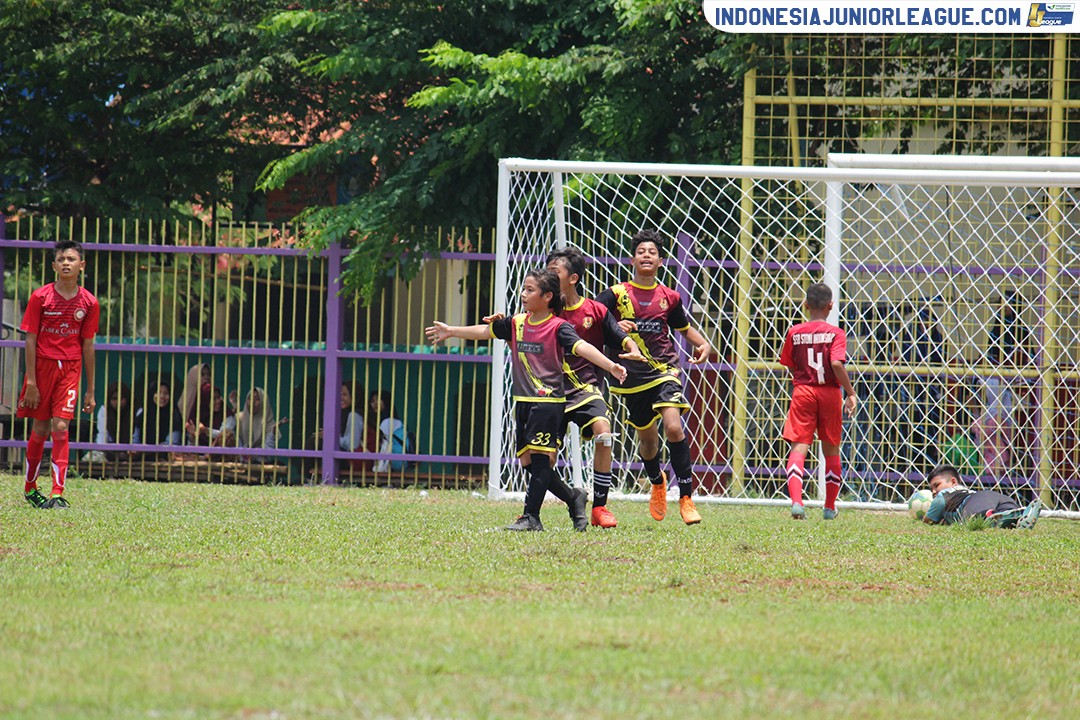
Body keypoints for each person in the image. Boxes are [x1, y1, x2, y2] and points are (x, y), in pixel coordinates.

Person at [426, 268, 632, 532]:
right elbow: (485, 332)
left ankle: (531, 516)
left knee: (541, 460)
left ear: (547, 296)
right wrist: (452, 330)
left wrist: (611, 366)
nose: (523, 294)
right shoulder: (516, 323)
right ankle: (573, 498)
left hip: (548, 404)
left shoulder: (559, 327)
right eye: (523, 289)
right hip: (522, 401)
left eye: (530, 290)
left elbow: (584, 348)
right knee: (529, 464)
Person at [595, 229, 712, 525]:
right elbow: (593, 320)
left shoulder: (670, 297)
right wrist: (613, 325)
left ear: (661, 260)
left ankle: (686, 498)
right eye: (641, 251)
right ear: (633, 259)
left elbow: (683, 328)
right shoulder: (616, 294)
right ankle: (657, 482)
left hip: (664, 370)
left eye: (652, 252)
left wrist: (703, 343)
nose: (646, 255)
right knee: (647, 442)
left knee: (674, 427)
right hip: (632, 378)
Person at [546, 246, 644, 529]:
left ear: (573, 278)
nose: (548, 276)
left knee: (604, 434)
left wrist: (632, 346)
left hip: (586, 388)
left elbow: (619, 336)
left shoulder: (595, 310)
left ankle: (600, 507)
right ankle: (561, 500)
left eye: (555, 272)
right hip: (551, 391)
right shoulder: (543, 310)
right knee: (543, 459)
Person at [17, 239, 99, 509]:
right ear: (54, 266)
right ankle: (30, 486)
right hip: (41, 368)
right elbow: (30, 338)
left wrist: (90, 389)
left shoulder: (89, 303)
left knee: (61, 426)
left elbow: (87, 344)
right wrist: (31, 381)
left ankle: (57, 492)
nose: (66, 263)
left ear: (82, 265)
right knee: (40, 428)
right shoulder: (40, 297)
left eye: (72, 259)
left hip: (70, 369)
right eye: (62, 259)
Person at [778, 282, 858, 520]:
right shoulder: (837, 333)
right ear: (831, 306)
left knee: (799, 447)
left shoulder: (794, 332)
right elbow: (836, 363)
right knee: (831, 449)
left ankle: (796, 502)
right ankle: (830, 506)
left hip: (803, 391)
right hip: (829, 393)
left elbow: (790, 362)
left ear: (805, 305)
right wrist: (850, 392)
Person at [923, 464, 1041, 528]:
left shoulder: (943, 495)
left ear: (953, 482)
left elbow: (928, 521)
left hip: (973, 504)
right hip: (991, 495)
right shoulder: (967, 490)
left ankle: (994, 514)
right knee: (1005, 513)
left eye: (936, 485)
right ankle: (1020, 515)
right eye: (931, 489)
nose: (934, 491)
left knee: (977, 518)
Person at [219, 388, 286, 459]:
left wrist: (273, 432)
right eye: (249, 398)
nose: (252, 402)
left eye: (257, 399)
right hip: (239, 464)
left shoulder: (269, 422)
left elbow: (268, 451)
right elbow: (225, 435)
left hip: (261, 465)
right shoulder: (238, 418)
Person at [134, 376, 183, 458]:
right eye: (158, 392)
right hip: (141, 461)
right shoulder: (142, 414)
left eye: (166, 393)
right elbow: (135, 440)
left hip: (165, 460)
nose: (162, 396)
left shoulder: (174, 415)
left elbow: (172, 443)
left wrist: (147, 450)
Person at [369, 390, 411, 473]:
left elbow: (382, 445)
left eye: (378, 399)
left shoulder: (387, 421)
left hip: (393, 461)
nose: (375, 403)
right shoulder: (396, 421)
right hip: (400, 461)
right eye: (372, 401)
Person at [91, 381, 135, 460]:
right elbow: (102, 434)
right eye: (114, 399)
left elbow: (137, 436)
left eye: (121, 398)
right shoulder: (104, 410)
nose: (118, 402)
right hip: (110, 453)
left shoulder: (136, 410)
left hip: (133, 453)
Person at [180, 363, 215, 445]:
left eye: (208, 374)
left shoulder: (215, 397)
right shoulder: (183, 404)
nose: (206, 377)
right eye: (202, 375)